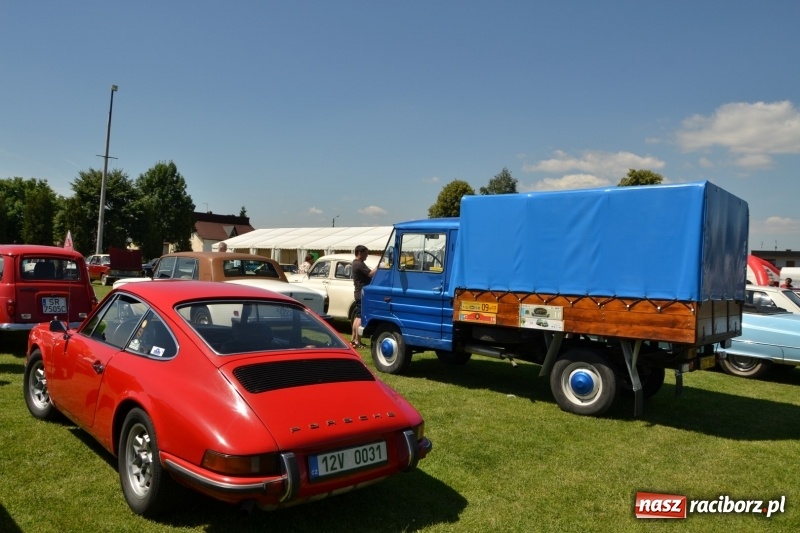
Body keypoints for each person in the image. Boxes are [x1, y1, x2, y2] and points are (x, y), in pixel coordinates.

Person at [351, 245, 376, 348]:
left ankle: (353, 339)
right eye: (366, 254)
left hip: (357, 293)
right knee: (361, 317)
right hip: (361, 293)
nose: (367, 256)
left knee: (357, 316)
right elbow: (370, 274)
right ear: (360, 253)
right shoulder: (359, 264)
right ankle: (357, 340)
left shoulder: (354, 263)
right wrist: (379, 267)